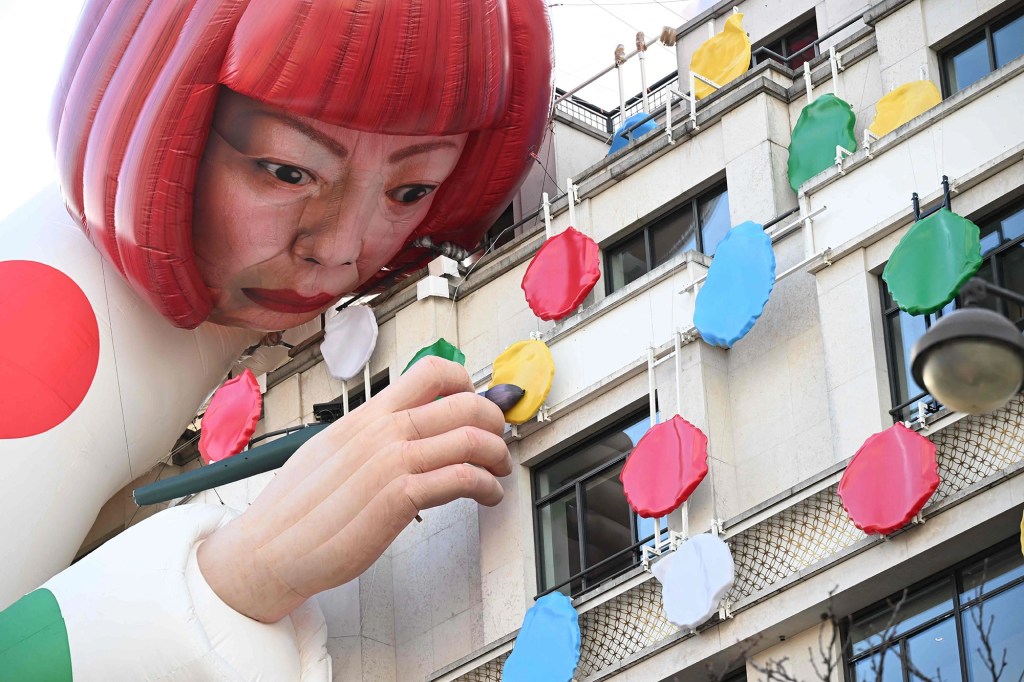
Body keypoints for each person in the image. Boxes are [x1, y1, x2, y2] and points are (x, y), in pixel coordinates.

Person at [0, 0, 552, 678]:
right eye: (287, 171)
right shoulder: (44, 331)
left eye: (410, 191)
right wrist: (232, 581)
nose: (342, 249)